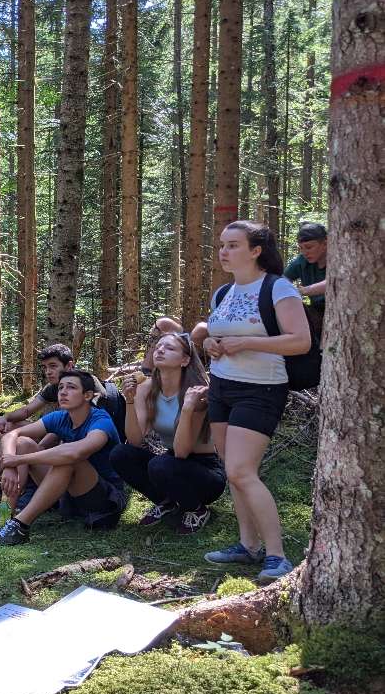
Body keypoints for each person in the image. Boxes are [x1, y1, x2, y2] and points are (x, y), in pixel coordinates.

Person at [200, 220, 311, 583]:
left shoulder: (278, 289)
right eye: (221, 245)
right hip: (221, 387)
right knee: (229, 466)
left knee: (241, 470)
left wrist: (248, 343)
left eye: (232, 245)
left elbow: (300, 341)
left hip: (261, 388)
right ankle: (247, 545)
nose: (223, 252)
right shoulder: (223, 293)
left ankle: (277, 556)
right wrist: (208, 344)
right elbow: (213, 333)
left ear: (256, 250)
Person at [0, 370, 127, 546]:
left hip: (103, 500)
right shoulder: (60, 417)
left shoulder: (101, 420)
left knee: (67, 460)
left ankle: (20, 526)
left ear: (88, 395)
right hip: (67, 498)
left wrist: (19, 460)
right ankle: (4, 516)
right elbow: (12, 434)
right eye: (60, 388)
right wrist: (9, 465)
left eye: (71, 387)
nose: (63, 392)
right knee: (22, 443)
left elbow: (74, 453)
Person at [110, 332, 225, 534]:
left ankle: (196, 509)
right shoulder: (146, 388)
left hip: (205, 472)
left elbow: (182, 452)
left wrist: (188, 409)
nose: (160, 350)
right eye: (158, 346)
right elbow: (135, 441)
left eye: (170, 348)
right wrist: (129, 400)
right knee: (121, 454)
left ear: (185, 360)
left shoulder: (196, 392)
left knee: (161, 463)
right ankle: (167, 502)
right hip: (171, 462)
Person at [0, 344, 75, 498]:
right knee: (11, 428)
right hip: (55, 445)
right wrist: (6, 417)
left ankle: (17, 490)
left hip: (71, 458)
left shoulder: (84, 387)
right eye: (45, 367)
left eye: (53, 366)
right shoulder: (54, 387)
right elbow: (27, 410)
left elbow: (66, 430)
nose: (48, 372)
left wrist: (37, 448)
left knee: (22, 443)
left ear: (69, 365)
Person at [283, 222, 327, 313]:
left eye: (309, 247)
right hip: (316, 310)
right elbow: (282, 279)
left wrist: (304, 291)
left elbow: (334, 282)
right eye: (301, 248)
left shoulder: (339, 261)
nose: (304, 252)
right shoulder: (302, 261)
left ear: (325, 244)